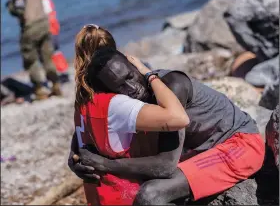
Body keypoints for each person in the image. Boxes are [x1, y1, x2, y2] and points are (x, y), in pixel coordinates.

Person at [69, 25, 265, 205]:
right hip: (203, 149)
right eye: (120, 87)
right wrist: (77, 158)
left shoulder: (172, 86)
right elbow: (88, 128)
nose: (132, 88)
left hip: (238, 144)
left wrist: (106, 165)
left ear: (136, 66)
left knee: (150, 194)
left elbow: (165, 166)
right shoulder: (128, 101)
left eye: (130, 77)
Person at [71, 24, 189, 205]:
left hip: (98, 197)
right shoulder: (116, 105)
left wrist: (73, 158)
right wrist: (150, 75)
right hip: (127, 195)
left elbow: (81, 141)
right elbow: (178, 119)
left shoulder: (82, 103)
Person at [4, 0, 62, 100]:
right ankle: (55, 84)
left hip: (30, 27)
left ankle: (40, 89)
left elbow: (19, 10)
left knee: (31, 59)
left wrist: (10, 7)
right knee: (47, 56)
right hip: (44, 24)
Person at [41, 0, 70, 82]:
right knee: (55, 51)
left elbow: (46, 12)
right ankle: (62, 72)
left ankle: (62, 73)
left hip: (49, 27)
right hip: (52, 26)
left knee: (52, 51)